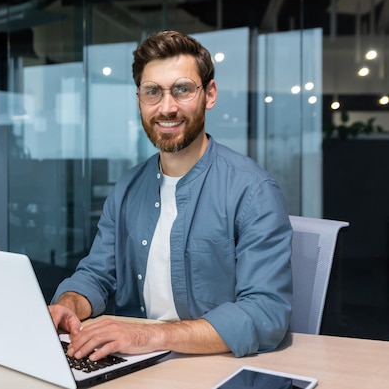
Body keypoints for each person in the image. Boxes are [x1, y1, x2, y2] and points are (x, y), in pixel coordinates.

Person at [49, 30, 292, 360]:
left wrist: (151, 334)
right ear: (139, 100)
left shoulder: (253, 192)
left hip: (212, 366)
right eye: (153, 92)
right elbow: (97, 274)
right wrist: (69, 304)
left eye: (182, 90)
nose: (167, 107)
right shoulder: (126, 189)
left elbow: (266, 313)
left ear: (210, 94)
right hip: (134, 360)